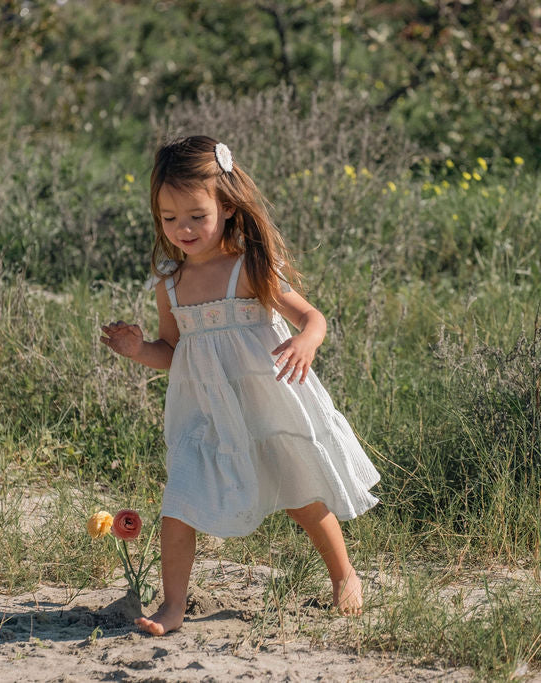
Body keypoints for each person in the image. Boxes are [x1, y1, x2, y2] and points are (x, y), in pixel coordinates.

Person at [100, 135, 380, 636]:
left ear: (228, 207)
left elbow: (312, 317)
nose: (183, 229)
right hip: (207, 412)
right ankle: (173, 606)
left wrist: (306, 341)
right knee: (179, 503)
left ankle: (344, 576)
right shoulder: (171, 284)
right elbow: (173, 352)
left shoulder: (249, 267)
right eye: (169, 218)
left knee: (301, 496)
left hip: (267, 402)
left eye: (196, 215)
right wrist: (138, 349)